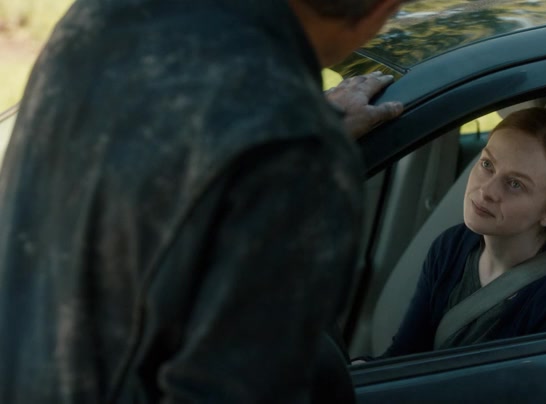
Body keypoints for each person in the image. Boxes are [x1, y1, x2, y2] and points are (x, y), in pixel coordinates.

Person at [0, 0, 409, 402]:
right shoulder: (292, 151)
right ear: (382, 8)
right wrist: (302, 137)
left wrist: (300, 121)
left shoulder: (106, 16)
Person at [382, 107, 546, 358]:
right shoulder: (450, 247)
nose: (486, 190)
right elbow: (403, 356)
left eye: (515, 184)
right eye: (487, 164)